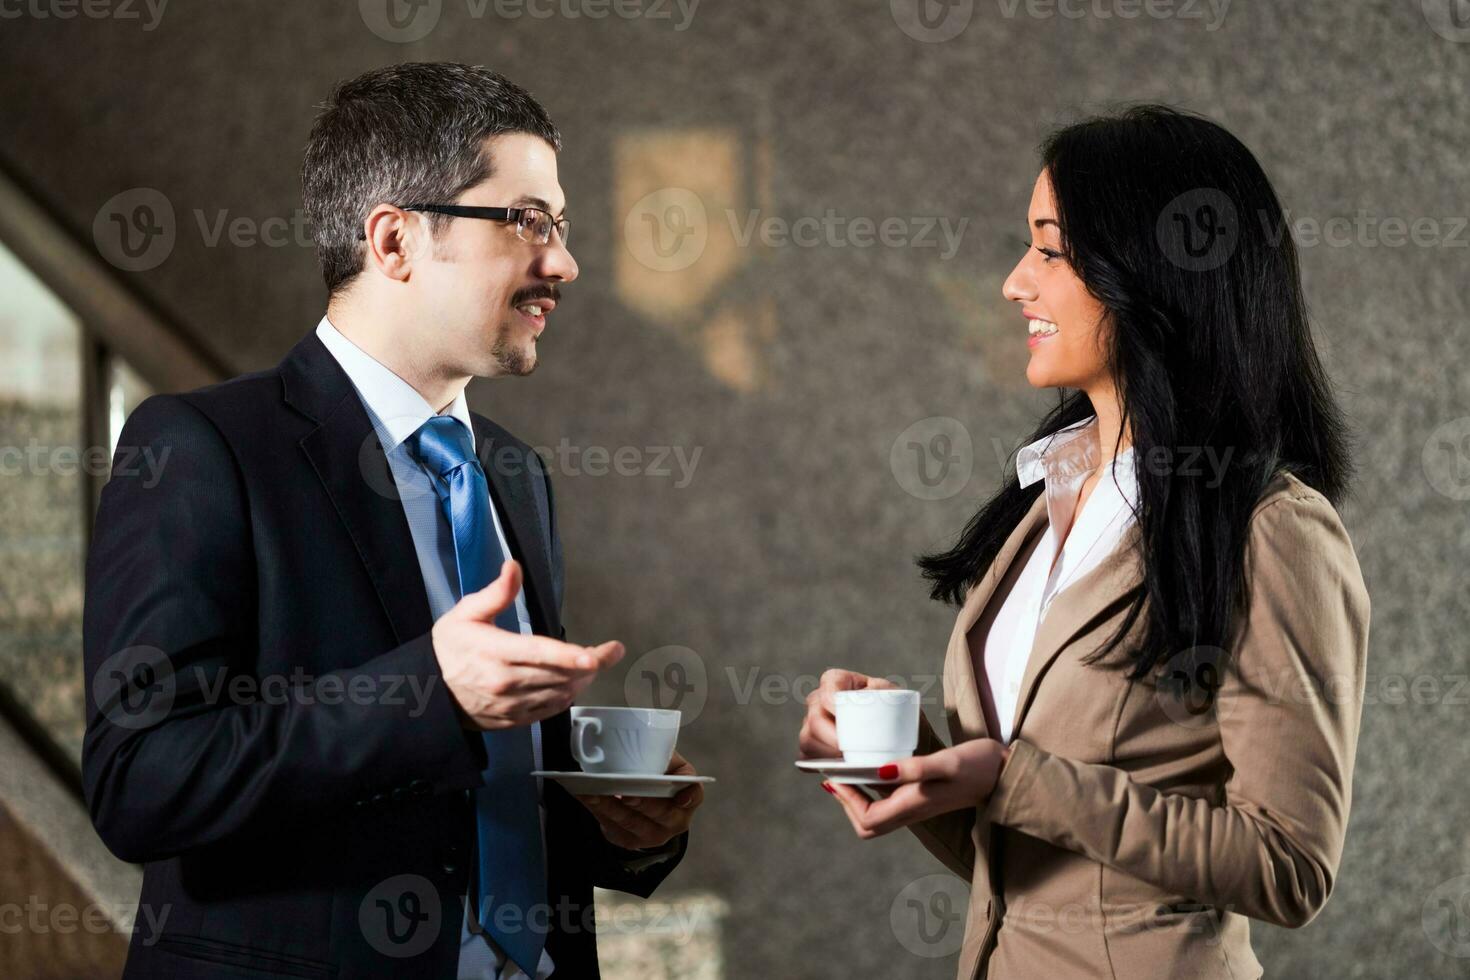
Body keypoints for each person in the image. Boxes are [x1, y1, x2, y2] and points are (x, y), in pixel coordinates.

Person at [82, 62, 702, 979]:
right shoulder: (200, 448)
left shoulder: (513, 473)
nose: (564, 261)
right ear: (396, 240)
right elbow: (142, 782)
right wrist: (426, 691)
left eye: (562, 227)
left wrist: (618, 824)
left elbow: (479, 789)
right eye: (527, 221)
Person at [799, 105, 1371, 979]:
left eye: (1049, 250)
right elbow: (1031, 871)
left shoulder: (1271, 530)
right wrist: (913, 763)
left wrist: (1010, 776)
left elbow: (1289, 864)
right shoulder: (1048, 498)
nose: (1014, 283)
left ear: (1151, 272)